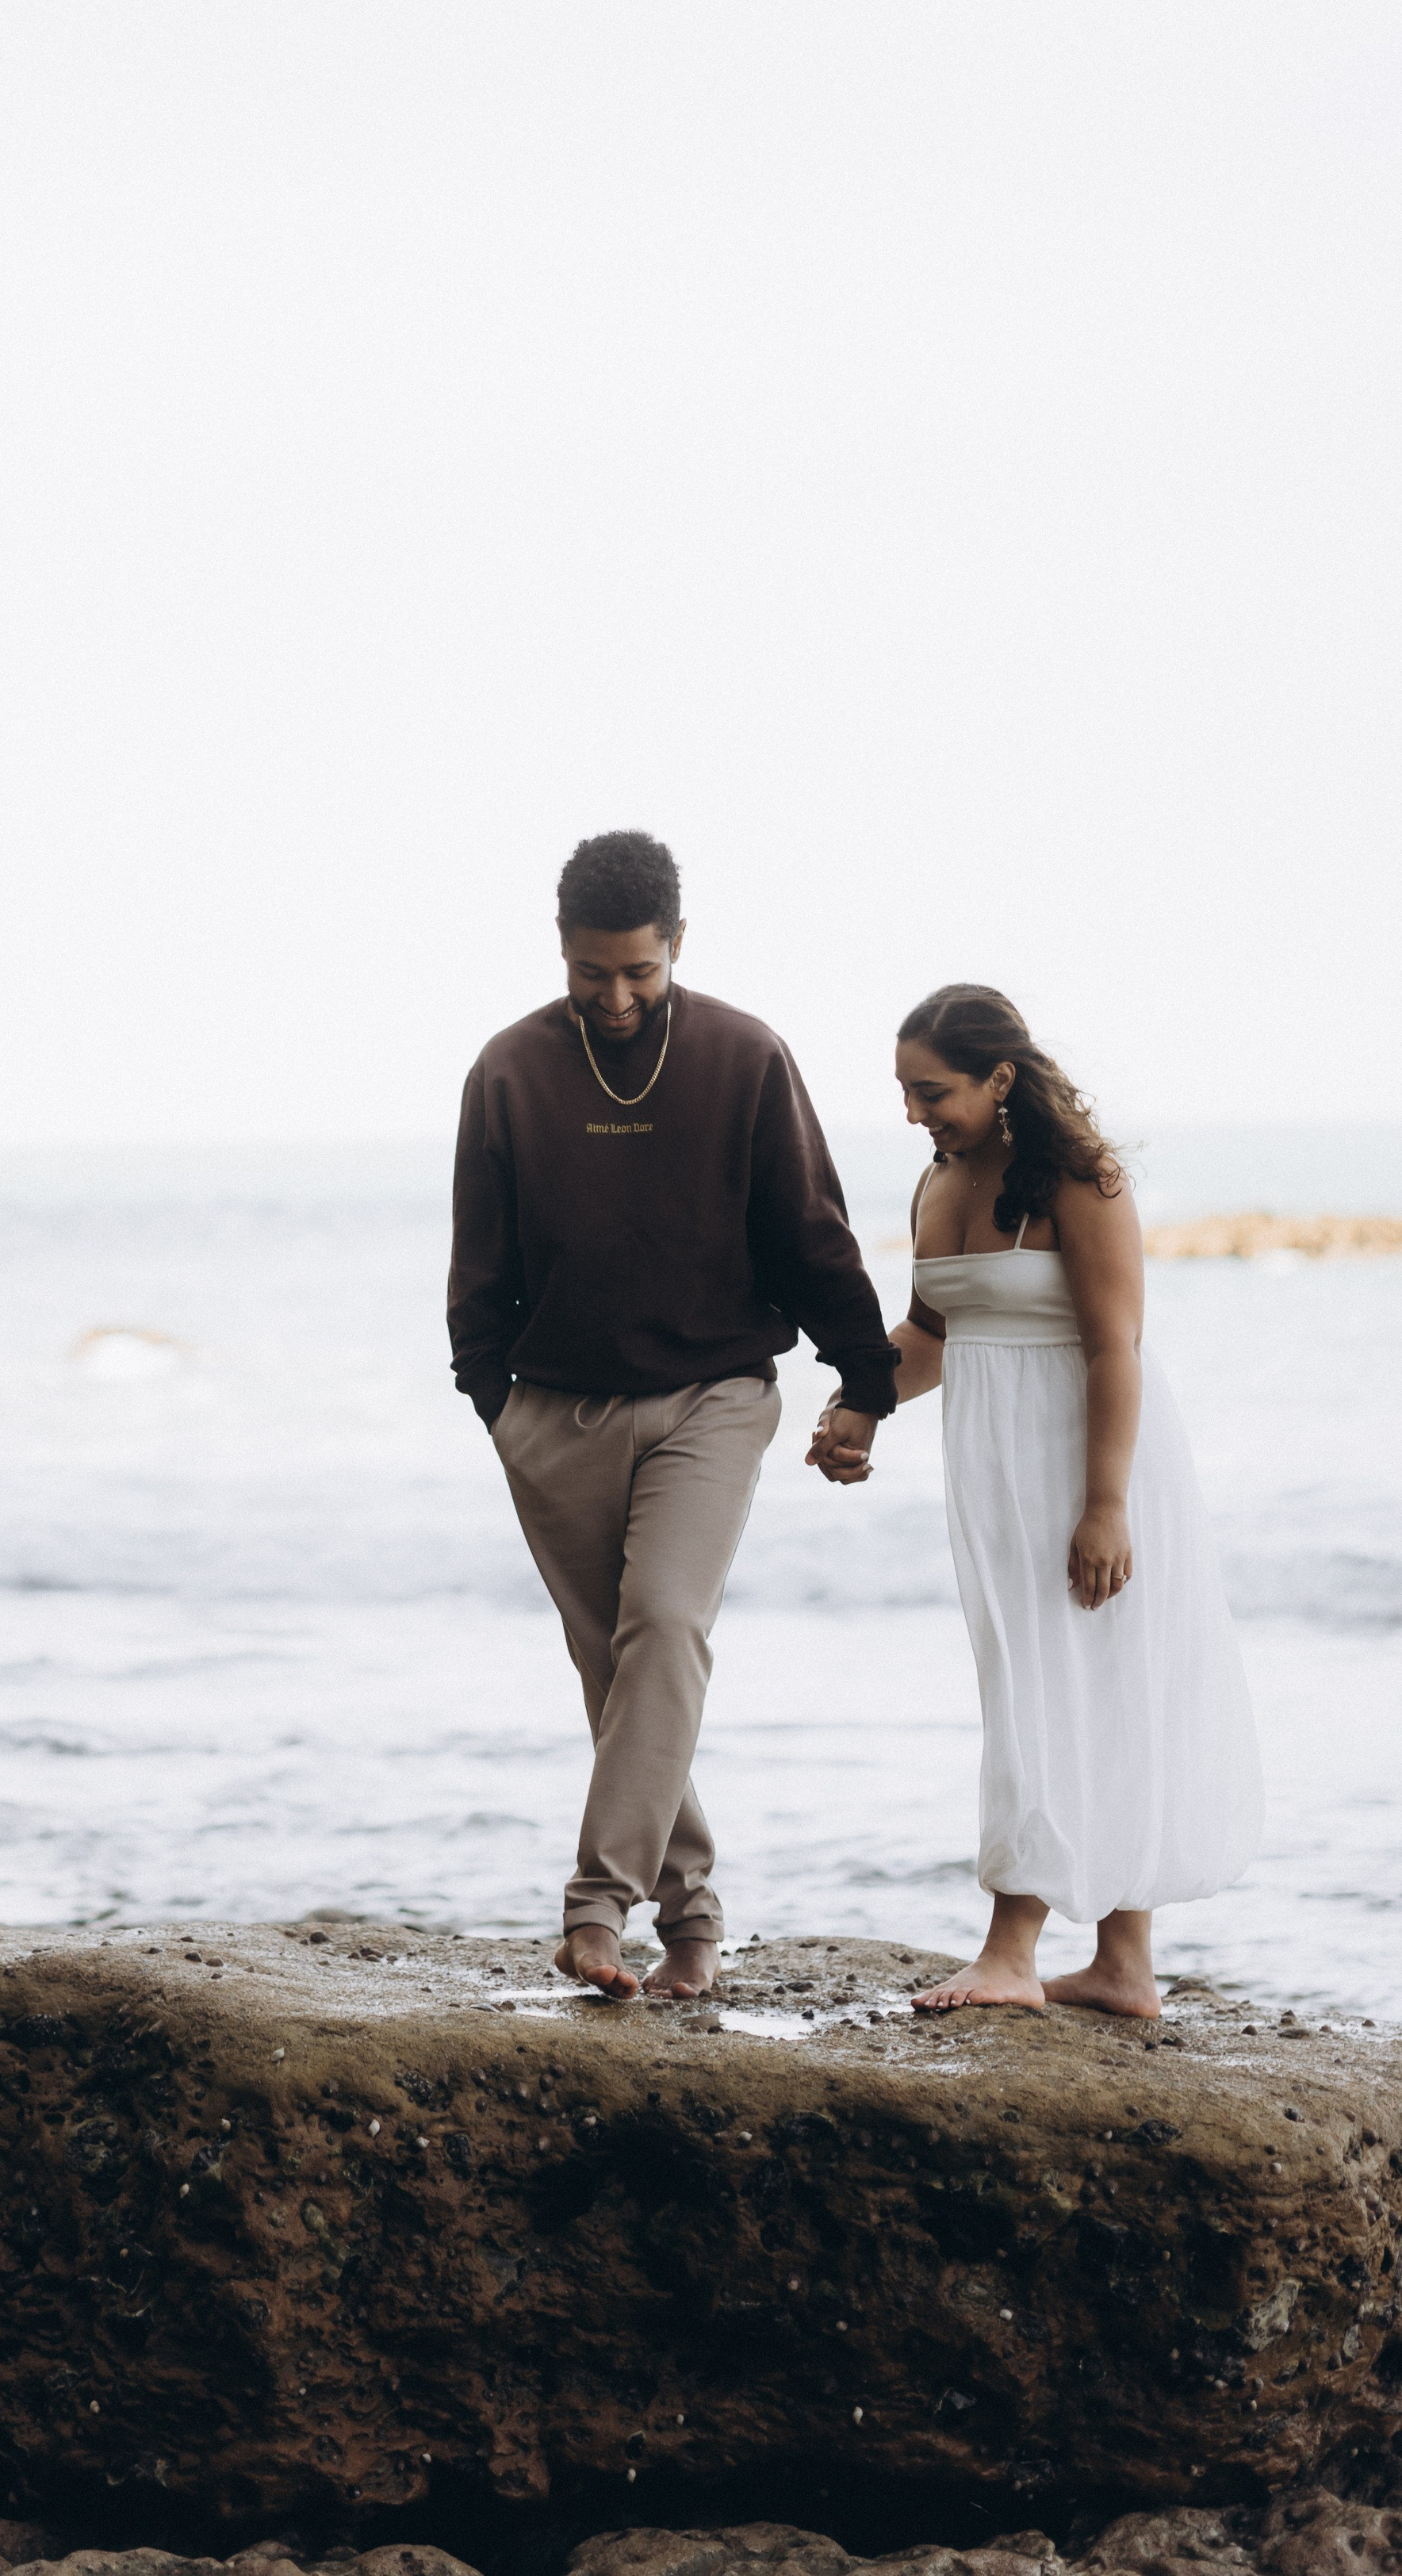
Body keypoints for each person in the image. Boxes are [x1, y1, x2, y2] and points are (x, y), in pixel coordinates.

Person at [449, 829, 896, 2001]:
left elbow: (810, 1230)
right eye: (593, 972)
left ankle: (595, 1909)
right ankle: (692, 1914)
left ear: (677, 946)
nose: (616, 996)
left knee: (660, 1623)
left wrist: (864, 1377)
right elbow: (477, 1264)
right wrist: (495, 1400)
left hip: (713, 1395)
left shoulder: (745, 1057)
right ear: (563, 951)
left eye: (639, 971)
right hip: (552, 1412)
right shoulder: (506, 1072)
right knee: (620, 1668)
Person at [809, 984, 1262, 2017]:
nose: (917, 1113)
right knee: (1049, 1683)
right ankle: (1123, 1965)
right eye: (907, 1094)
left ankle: (1012, 1951)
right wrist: (858, 1406)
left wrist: (1105, 1504)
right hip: (995, 1476)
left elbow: (1116, 1343)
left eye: (934, 1092)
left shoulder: (1080, 1180)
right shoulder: (937, 1182)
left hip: (1092, 1465)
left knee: (1073, 1689)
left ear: (1001, 1077)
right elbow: (933, 1333)